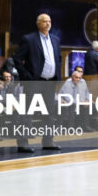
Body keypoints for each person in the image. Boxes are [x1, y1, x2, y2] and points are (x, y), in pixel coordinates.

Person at [13, 13, 62, 153]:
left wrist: (57, 74)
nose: (48, 23)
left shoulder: (55, 39)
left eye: (49, 21)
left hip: (50, 81)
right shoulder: (29, 39)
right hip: (34, 81)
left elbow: (58, 58)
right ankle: (22, 143)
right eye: (44, 21)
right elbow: (17, 59)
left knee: (50, 113)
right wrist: (27, 76)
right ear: (38, 23)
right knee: (27, 112)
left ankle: (48, 141)